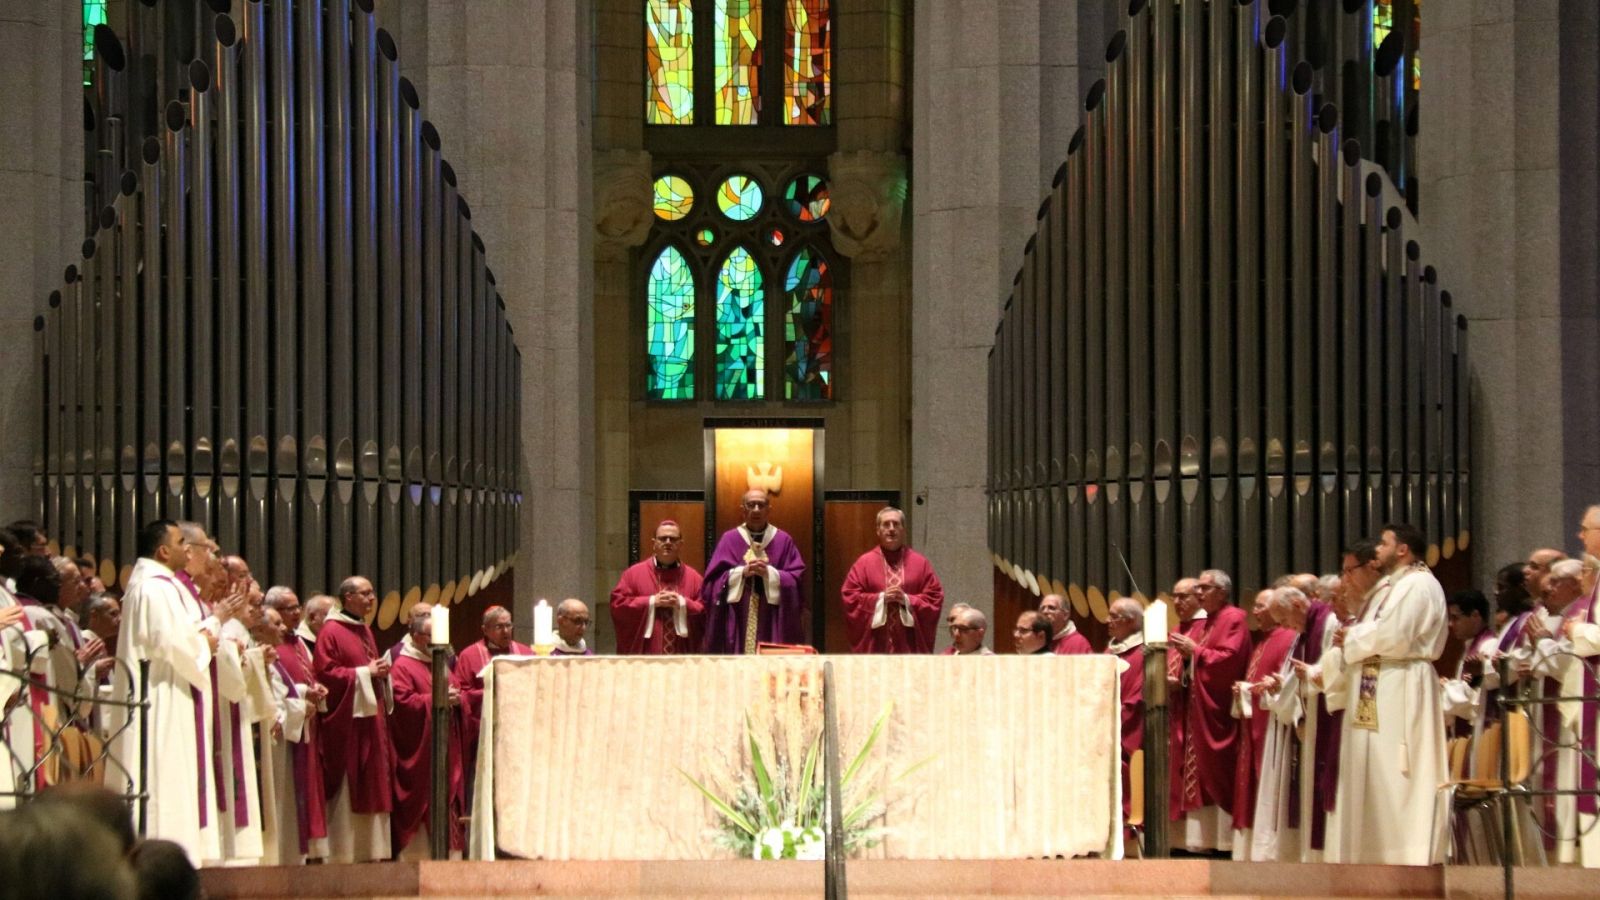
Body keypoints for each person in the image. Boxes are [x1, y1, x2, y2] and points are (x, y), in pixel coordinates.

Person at [1327, 523, 1449, 865]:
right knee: (1378, 767)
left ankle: (1406, 854)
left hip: (1404, 679)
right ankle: (1378, 852)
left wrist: (1352, 638)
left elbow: (1396, 635)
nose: (1376, 550)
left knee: (1400, 768)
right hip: (1384, 679)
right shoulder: (1394, 586)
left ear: (1402, 550)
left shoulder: (1418, 584)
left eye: (1383, 543)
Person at [106, 520, 219, 865]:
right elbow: (168, 642)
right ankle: (161, 862)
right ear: (163, 551)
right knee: (161, 770)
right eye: (180, 541)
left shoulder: (153, 585)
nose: (187, 548)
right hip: (159, 694)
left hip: (165, 686)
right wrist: (206, 642)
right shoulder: (155, 588)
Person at [1517, 556, 1597, 864]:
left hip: (1580, 709)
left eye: (1555, 581)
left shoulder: (1582, 613)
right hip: (1567, 708)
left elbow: (1565, 663)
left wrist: (1545, 642)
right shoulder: (1576, 611)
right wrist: (1540, 652)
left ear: (1577, 582)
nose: (1547, 587)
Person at [1168, 569, 1251, 853]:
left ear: (1223, 591)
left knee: (1216, 771)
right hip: (1197, 707)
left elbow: (1229, 661)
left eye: (1205, 587)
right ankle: (1199, 843)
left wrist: (1195, 652)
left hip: (1218, 710)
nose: (1199, 592)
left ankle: (1222, 842)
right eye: (1199, 588)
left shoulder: (1234, 617)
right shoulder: (1207, 622)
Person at [313, 575, 395, 863]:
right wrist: (364, 673)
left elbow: (368, 667)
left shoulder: (363, 630)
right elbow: (325, 674)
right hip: (348, 724)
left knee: (372, 779)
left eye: (372, 593)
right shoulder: (331, 631)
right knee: (352, 781)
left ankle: (371, 851)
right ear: (348, 597)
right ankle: (344, 852)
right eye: (366, 593)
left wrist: (379, 672)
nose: (372, 598)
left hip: (369, 720)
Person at [389, 604, 465, 859]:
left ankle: (451, 857)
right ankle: (417, 857)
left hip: (445, 746)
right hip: (421, 752)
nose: (436, 644)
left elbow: (457, 690)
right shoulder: (403, 665)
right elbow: (402, 704)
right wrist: (437, 699)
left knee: (448, 795)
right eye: (431, 638)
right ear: (415, 636)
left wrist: (456, 699)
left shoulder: (438, 662)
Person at [1244, 586, 1314, 861]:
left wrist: (1281, 686)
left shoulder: (1292, 634)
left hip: (1298, 717)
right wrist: (1278, 685)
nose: (1255, 612)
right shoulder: (1283, 636)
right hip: (1282, 711)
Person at [1230, 587, 1296, 859]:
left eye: (1260, 606)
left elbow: (1284, 685)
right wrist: (1246, 689)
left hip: (1271, 723)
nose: (1254, 612)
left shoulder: (1287, 637)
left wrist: (1251, 689)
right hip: (1254, 721)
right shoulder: (1264, 639)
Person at [702, 489, 808, 653]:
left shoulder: (783, 540)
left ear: (769, 510)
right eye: (751, 505)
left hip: (771, 617)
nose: (756, 509)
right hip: (738, 616)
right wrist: (741, 573)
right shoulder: (730, 539)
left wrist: (770, 574)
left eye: (761, 505)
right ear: (743, 510)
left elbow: (796, 579)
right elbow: (712, 584)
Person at [453, 605, 531, 803]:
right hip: (483, 733)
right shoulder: (469, 655)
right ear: (485, 629)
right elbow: (462, 694)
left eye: (508, 625)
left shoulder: (524, 652)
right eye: (499, 626)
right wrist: (492, 689)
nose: (506, 631)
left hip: (518, 731)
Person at [840, 507, 944, 654]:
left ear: (904, 530)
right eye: (886, 524)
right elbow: (850, 597)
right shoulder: (864, 563)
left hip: (909, 647)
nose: (891, 529)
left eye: (896, 524)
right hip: (876, 646)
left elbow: (934, 598)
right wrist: (881, 599)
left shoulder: (920, 564)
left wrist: (906, 600)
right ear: (878, 530)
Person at [609, 520, 706, 654]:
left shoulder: (694, 578)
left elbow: (707, 612)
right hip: (646, 656)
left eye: (673, 539)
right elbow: (618, 605)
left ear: (681, 544)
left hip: (682, 656)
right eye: (662, 538)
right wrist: (651, 602)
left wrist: (682, 603)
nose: (667, 542)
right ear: (653, 543)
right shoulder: (633, 574)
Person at [1105, 597, 1144, 826]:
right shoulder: (1111, 648)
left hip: (1129, 731)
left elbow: (1138, 697)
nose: (1107, 621)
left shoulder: (1142, 653)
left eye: (1114, 617)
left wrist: (1115, 718)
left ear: (1131, 621)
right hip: (1107, 724)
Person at [1440, 590, 1496, 742]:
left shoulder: (1489, 647)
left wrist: (1445, 688)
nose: (1451, 624)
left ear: (1475, 616)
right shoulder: (1470, 647)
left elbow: (1472, 699)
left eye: (1456, 618)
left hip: (1482, 728)